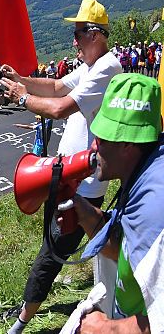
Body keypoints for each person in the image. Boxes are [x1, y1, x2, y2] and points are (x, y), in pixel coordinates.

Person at [0, 0, 122, 333]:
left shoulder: (107, 68)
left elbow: (59, 108)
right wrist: (22, 79)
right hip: (70, 176)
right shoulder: (91, 66)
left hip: (83, 183)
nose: (74, 40)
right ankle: (111, 288)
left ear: (96, 34)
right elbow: (54, 87)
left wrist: (20, 97)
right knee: (68, 245)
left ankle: (20, 322)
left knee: (51, 252)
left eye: (79, 33)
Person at [68, 72, 163, 331]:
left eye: (103, 138)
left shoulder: (154, 205)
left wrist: (105, 328)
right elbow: (124, 249)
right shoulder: (144, 172)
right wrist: (82, 210)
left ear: (128, 145)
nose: (94, 146)